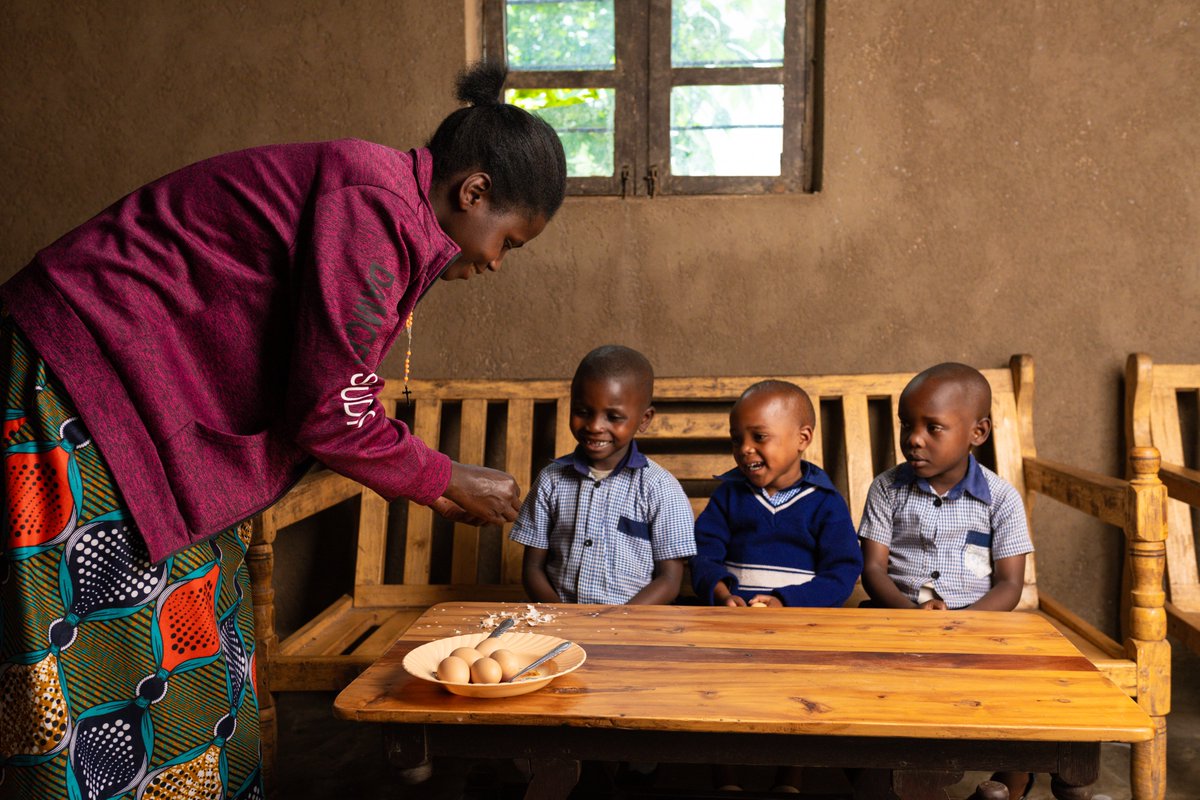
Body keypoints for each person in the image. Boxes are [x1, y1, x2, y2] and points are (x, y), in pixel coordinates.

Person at [0, 61, 565, 799]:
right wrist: (442, 476)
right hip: (75, 391)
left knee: (202, 641)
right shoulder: (373, 206)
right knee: (114, 653)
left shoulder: (383, 208)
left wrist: (424, 477)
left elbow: (331, 384)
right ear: (474, 192)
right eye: (508, 242)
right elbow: (329, 405)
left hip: (133, 407)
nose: (494, 262)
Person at [857, 362, 1036, 800]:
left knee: (1022, 680)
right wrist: (913, 618)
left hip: (978, 623)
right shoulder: (887, 489)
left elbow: (1010, 585)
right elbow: (873, 570)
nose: (913, 439)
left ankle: (1009, 784)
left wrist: (959, 623)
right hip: (896, 616)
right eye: (906, 425)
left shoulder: (1001, 499)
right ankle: (887, 782)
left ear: (978, 433)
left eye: (933, 427)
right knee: (861, 676)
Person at [690, 380, 862, 793]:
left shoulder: (824, 501)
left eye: (759, 437)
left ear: (802, 439)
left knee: (801, 692)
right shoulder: (731, 495)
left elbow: (842, 571)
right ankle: (725, 779)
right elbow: (702, 552)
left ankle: (790, 777)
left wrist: (789, 603)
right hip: (731, 625)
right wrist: (719, 591)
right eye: (738, 439)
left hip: (799, 629)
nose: (745, 448)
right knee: (713, 689)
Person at [510, 345, 696, 605]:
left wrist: (621, 621)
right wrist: (562, 616)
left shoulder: (660, 488)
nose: (595, 426)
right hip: (558, 620)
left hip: (631, 626)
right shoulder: (551, 480)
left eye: (613, 416)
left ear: (644, 419)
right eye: (582, 412)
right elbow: (532, 569)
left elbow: (669, 580)